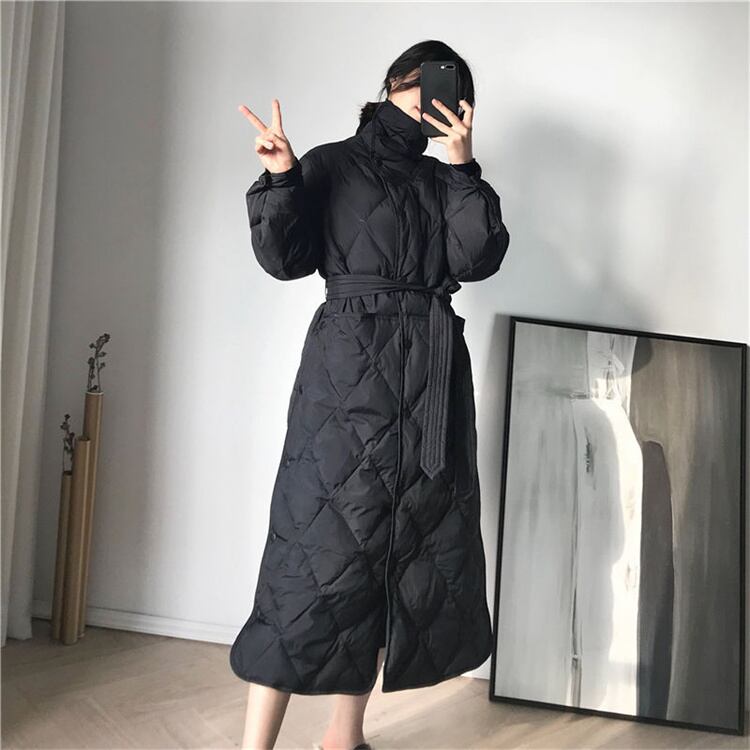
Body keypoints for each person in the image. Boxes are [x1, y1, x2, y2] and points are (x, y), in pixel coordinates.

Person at [231, 39, 511, 750]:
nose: (434, 100)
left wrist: (462, 164)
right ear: (392, 83)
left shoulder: (444, 178)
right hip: (345, 379)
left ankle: (343, 737)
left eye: (451, 91)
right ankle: (253, 746)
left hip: (431, 383)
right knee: (310, 558)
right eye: (424, 85)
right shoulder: (330, 163)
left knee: (396, 559)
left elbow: (476, 259)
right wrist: (282, 176)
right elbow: (284, 259)